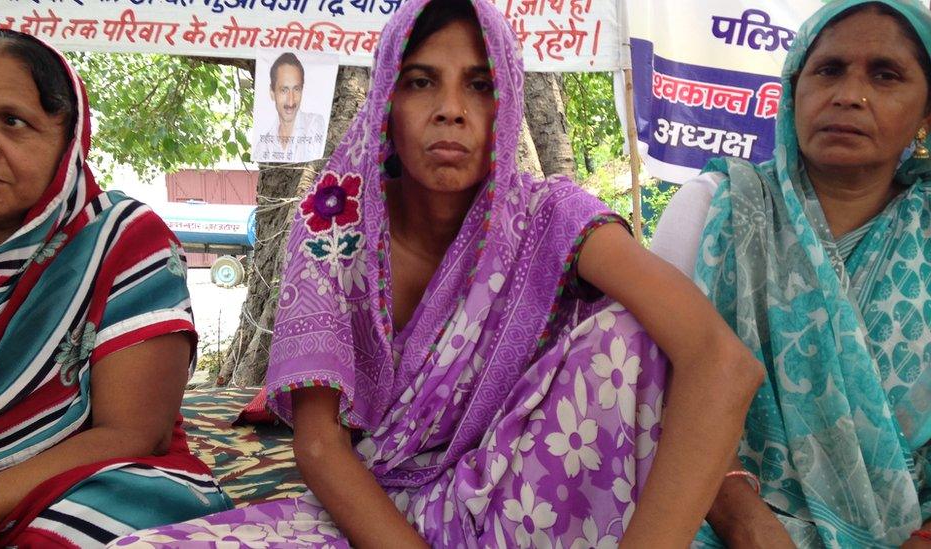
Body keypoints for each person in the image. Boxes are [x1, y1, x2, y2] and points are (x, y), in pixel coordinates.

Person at [111, 1, 764, 547]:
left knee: (633, 334)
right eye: (421, 81)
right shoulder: (335, 221)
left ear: (506, 104)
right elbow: (318, 443)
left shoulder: (552, 216)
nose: (450, 108)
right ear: (386, 104)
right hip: (380, 508)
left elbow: (722, 362)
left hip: (529, 492)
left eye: (480, 85)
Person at [650, 0, 931, 546]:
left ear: (926, 114)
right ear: (794, 88)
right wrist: (739, 513)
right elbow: (649, 385)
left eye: (886, 74)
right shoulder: (714, 208)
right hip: (715, 522)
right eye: (827, 69)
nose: (849, 94)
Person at [0, 29, 232, 547]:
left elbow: (132, 434)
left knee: (131, 509)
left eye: (13, 122)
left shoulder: (121, 239)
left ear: (70, 140)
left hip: (73, 479)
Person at [254, 52, 326, 163]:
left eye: (296, 89)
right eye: (284, 90)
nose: (291, 101)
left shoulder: (314, 125)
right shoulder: (263, 146)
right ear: (272, 92)